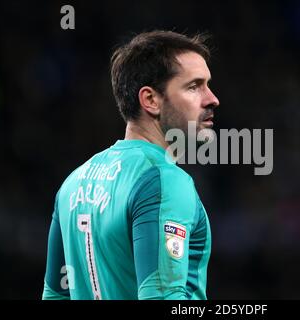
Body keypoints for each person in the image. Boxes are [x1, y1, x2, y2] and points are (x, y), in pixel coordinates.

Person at [42, 30, 220, 300]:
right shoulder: (164, 180)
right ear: (150, 100)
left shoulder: (73, 184)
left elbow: (55, 296)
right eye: (194, 87)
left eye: (207, 85)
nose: (212, 99)